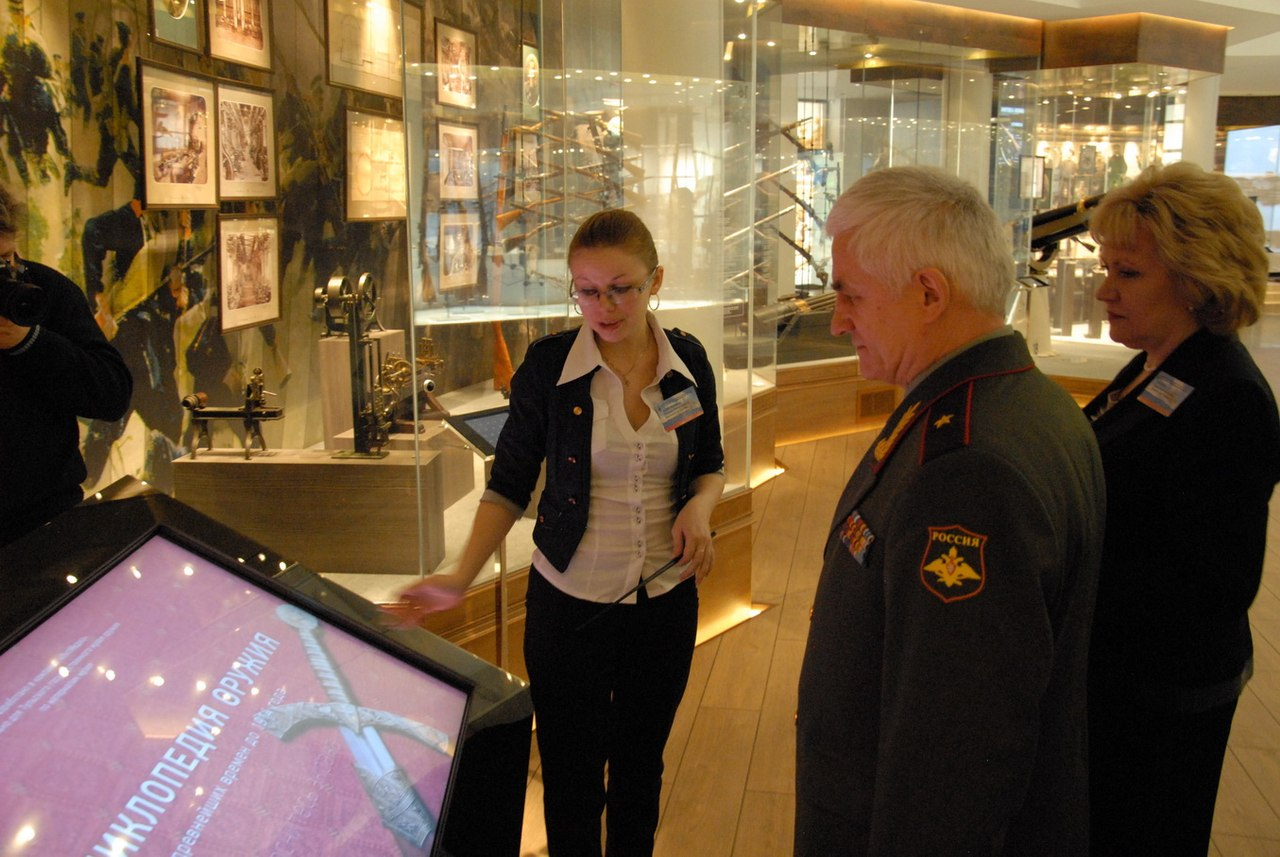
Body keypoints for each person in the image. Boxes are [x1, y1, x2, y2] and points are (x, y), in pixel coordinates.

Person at [794, 166, 1106, 856]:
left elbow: (950, 764)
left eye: (851, 295)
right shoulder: (1025, 403)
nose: (839, 320)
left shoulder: (966, 470)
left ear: (929, 293)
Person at [395, 209, 725, 856]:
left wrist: (700, 508)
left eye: (622, 288)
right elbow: (510, 482)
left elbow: (709, 462)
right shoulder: (549, 369)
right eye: (587, 290)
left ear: (656, 281)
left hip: (664, 602)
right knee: (571, 782)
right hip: (568, 608)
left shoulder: (686, 361)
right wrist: (458, 577)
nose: (604, 306)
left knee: (640, 771)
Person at [1083, 161, 1280, 856]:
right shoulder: (1157, 363)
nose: (1105, 290)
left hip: (1162, 696)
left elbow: (1214, 586)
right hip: (1127, 680)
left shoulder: (1228, 396)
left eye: (1129, 273)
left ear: (1197, 280)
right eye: (1107, 268)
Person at [0, 183, 132, 547]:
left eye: (6, 259)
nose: (4, 274)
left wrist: (29, 342)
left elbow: (112, 394)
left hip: (44, 518)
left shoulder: (43, 291)